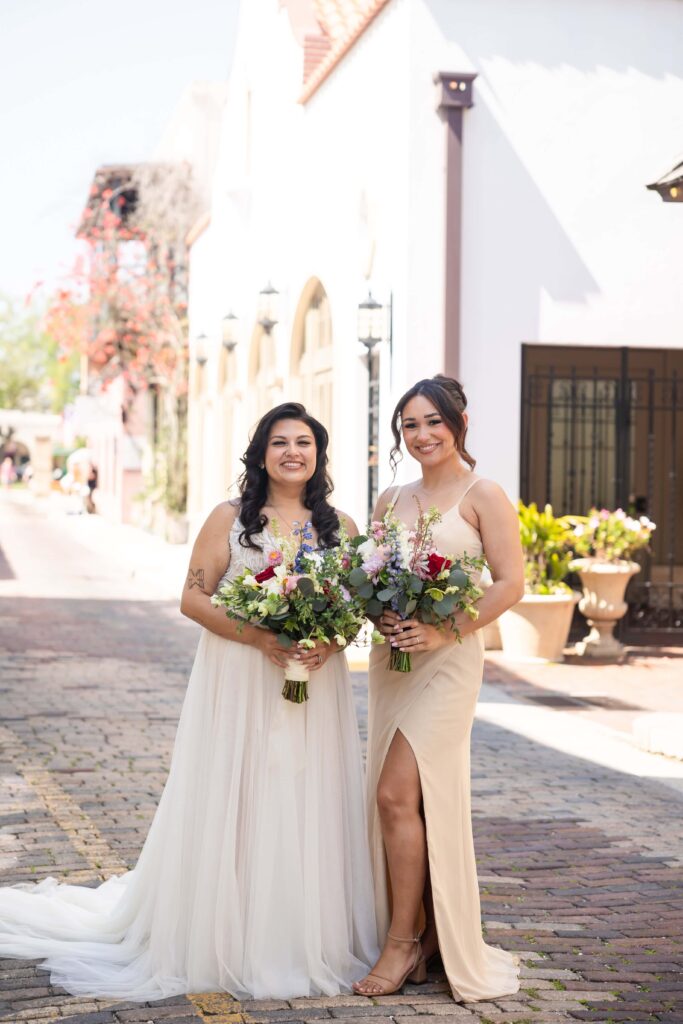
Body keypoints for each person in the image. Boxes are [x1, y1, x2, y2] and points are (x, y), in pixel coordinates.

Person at [0, 402, 378, 1001]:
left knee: (303, 793)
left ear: (318, 454)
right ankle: (230, 934)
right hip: (240, 675)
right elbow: (193, 598)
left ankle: (298, 929)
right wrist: (259, 635)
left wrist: (328, 642)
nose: (292, 452)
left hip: (312, 679)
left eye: (303, 442)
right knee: (241, 791)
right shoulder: (229, 519)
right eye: (278, 442)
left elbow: (354, 606)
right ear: (260, 454)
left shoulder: (341, 528)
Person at [353, 375, 524, 1002]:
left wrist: (444, 628)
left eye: (433, 422)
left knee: (398, 795)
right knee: (402, 799)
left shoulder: (484, 495)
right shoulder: (390, 498)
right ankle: (421, 937)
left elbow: (509, 584)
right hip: (393, 660)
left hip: (449, 661)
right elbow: (369, 576)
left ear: (458, 423)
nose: (422, 435)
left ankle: (402, 944)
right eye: (409, 426)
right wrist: (385, 618)